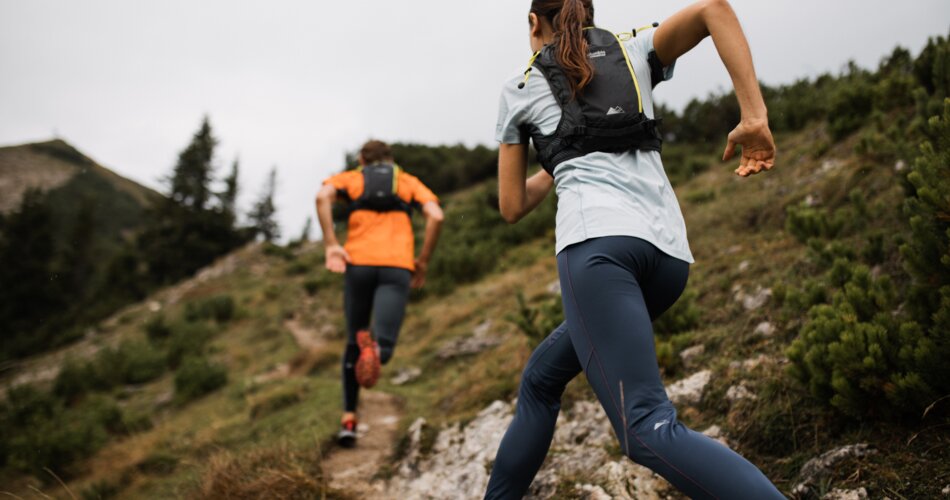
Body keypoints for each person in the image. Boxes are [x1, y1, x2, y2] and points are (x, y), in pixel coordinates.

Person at [485, 0, 784, 498]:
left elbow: (511, 206)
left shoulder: (519, 88)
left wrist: (559, 154)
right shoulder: (632, 47)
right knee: (541, 377)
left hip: (599, 251)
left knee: (646, 426)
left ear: (533, 22)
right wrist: (754, 115)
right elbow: (714, 9)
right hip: (667, 258)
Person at [316, 140, 444, 448]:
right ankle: (374, 349)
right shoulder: (408, 182)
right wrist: (422, 262)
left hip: (358, 265)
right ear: (391, 160)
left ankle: (348, 419)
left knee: (351, 341)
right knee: (382, 346)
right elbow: (436, 216)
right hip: (396, 268)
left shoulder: (352, 178)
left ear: (362, 159)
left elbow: (322, 196)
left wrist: (331, 244)